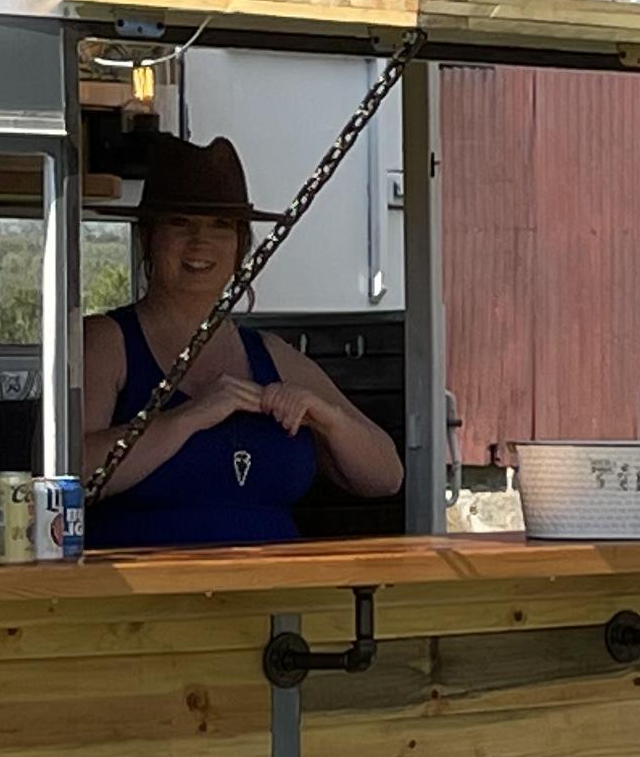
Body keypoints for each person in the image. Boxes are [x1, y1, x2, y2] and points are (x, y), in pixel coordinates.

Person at [76, 135, 403, 549]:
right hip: (139, 586)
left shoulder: (272, 355)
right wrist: (191, 416)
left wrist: (326, 418)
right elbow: (72, 476)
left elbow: (386, 477)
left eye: (221, 225)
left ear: (241, 245)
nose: (200, 241)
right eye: (180, 222)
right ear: (148, 236)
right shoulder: (107, 342)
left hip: (275, 585)